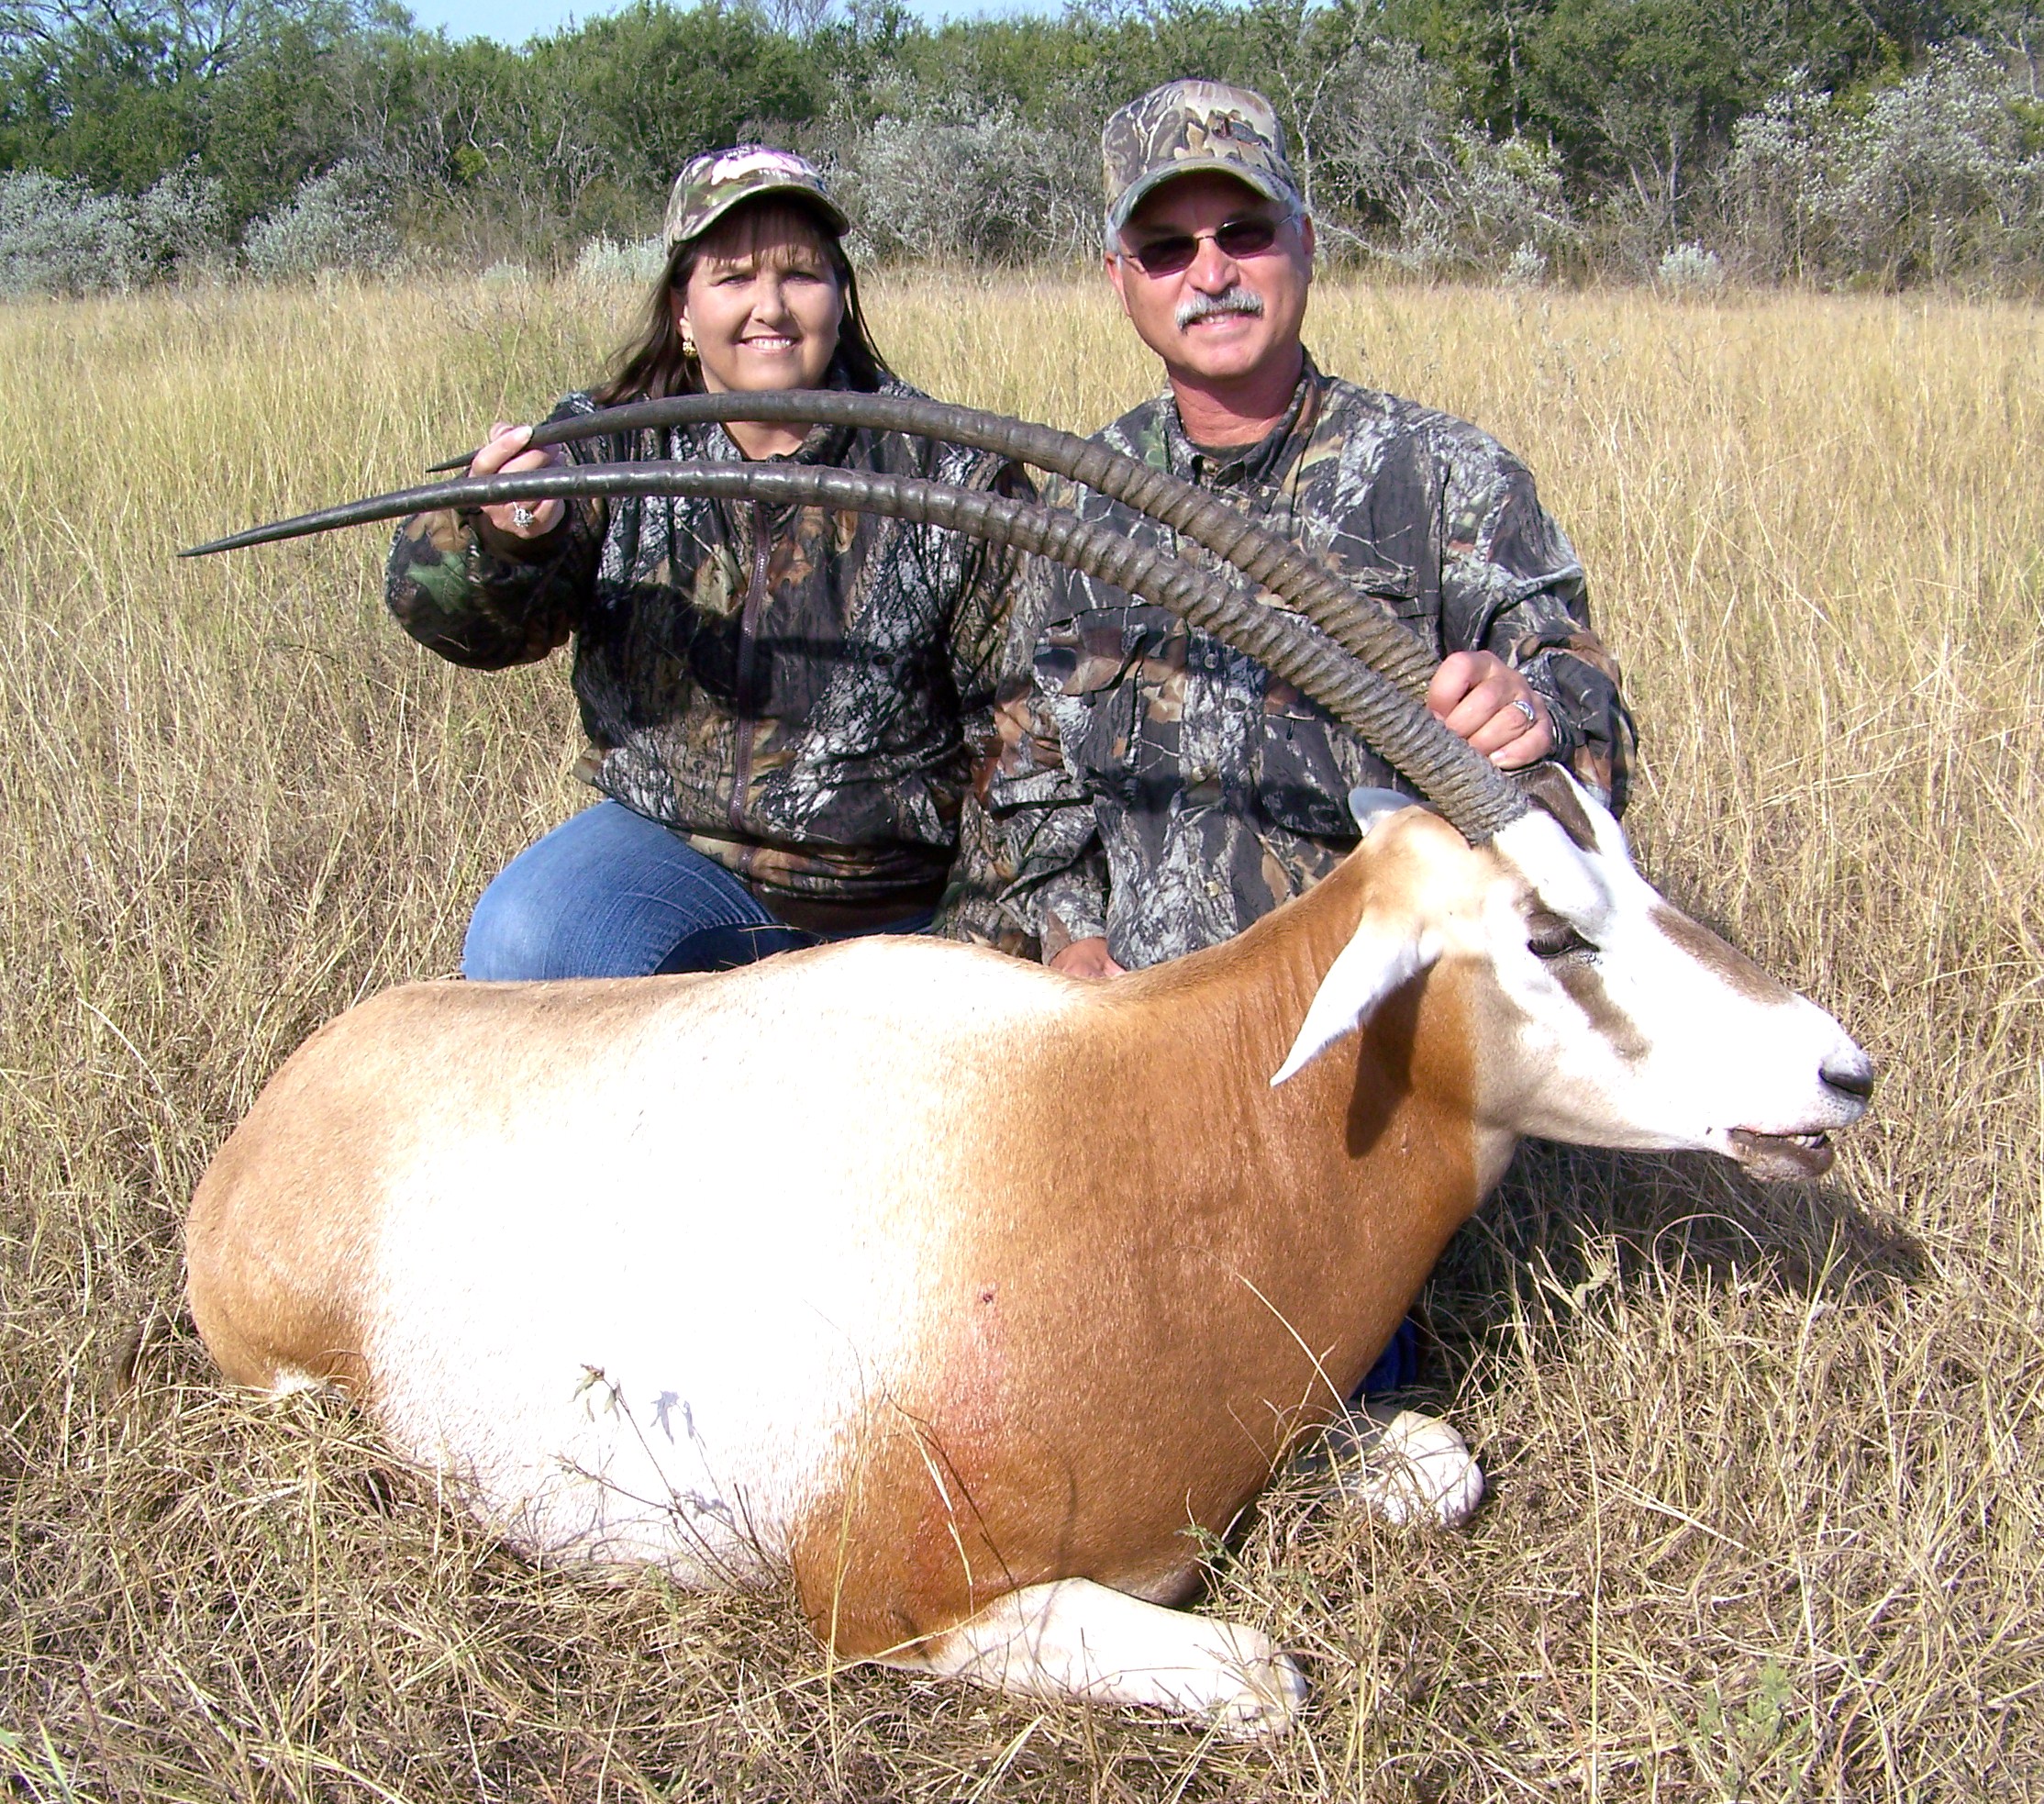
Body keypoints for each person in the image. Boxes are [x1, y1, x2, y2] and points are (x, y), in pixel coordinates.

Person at [941, 82, 1636, 1513]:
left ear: (1303, 245)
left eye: (1243, 231)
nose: (1212, 271)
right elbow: (1026, 779)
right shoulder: (1080, 502)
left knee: (1329, 1420)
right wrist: (1069, 950)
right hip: (1136, 1030)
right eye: (1169, 245)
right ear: (1120, 277)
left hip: (1354, 1050)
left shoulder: (1440, 476)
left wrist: (1537, 714)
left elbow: (1579, 693)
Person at [386, 146, 1021, 979]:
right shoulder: (608, 445)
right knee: (523, 940)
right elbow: (453, 618)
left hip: (899, 894)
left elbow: (1022, 729)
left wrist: (982, 942)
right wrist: (504, 536)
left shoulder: (955, 470)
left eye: (801, 274)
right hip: (681, 860)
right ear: (682, 309)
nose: (772, 308)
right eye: (733, 278)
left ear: (841, 296)